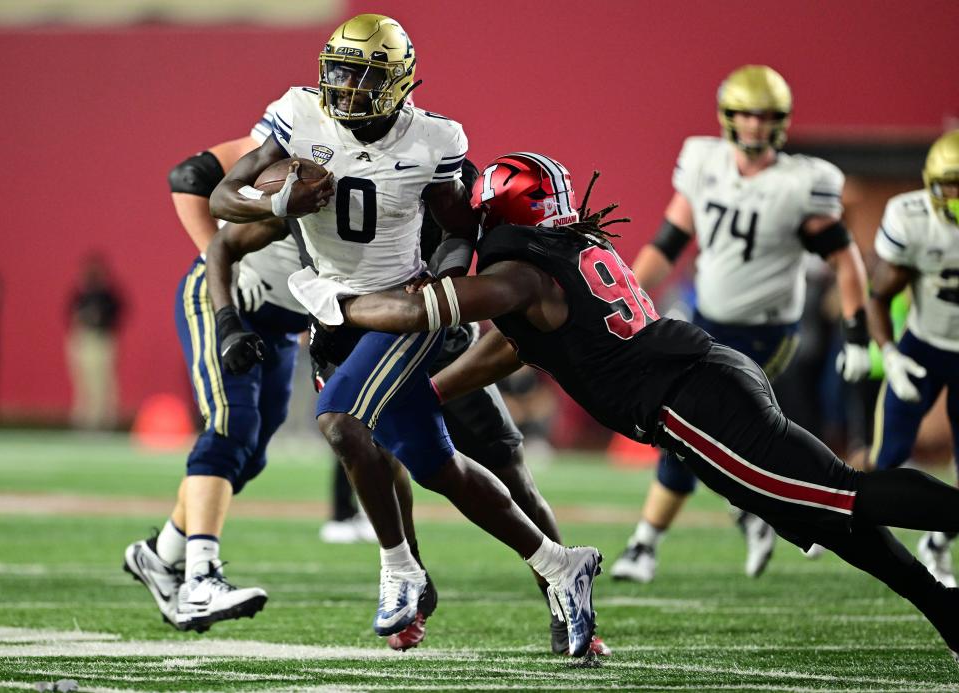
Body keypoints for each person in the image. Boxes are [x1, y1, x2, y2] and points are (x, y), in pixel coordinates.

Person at [337, 151, 959, 663]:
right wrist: (436, 393)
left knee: (837, 494)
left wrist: (337, 301)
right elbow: (509, 350)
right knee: (825, 515)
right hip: (695, 391)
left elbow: (420, 310)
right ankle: (944, 608)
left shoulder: (523, 275)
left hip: (690, 399)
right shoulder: (561, 255)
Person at [208, 14, 602, 657]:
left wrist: (442, 291)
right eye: (337, 71)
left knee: (347, 425)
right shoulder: (299, 120)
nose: (345, 88)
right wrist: (279, 205)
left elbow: (457, 230)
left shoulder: (433, 141)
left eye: (361, 76)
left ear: (398, 83)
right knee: (429, 465)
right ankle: (559, 565)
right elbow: (226, 201)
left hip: (407, 313)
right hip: (338, 317)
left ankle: (400, 572)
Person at [610, 65, 870, 583]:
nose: (755, 125)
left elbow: (846, 261)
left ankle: (650, 542)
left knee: (696, 429)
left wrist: (858, 333)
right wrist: (620, 305)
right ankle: (758, 515)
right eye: (746, 114)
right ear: (728, 118)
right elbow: (666, 245)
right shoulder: (705, 164)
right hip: (706, 323)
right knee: (699, 432)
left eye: (766, 116)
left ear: (782, 121)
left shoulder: (801, 183)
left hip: (767, 334)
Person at [122, 97, 316, 632]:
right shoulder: (303, 125)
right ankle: (199, 578)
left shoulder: (401, 156)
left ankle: (159, 556)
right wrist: (217, 261)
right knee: (232, 424)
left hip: (283, 321)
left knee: (249, 457)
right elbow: (189, 176)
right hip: (225, 295)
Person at [867, 129, 959, 587]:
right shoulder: (912, 217)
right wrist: (890, 352)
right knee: (889, 456)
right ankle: (846, 524)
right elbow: (879, 294)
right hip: (922, 345)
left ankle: (938, 544)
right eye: (952, 185)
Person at [66, 252, 124, 430]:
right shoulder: (80, 294)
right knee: (83, 382)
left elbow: (118, 314)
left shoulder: (109, 295)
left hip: (102, 338)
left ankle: (105, 420)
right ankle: (84, 420)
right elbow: (69, 315)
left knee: (103, 381)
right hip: (83, 338)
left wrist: (100, 319)